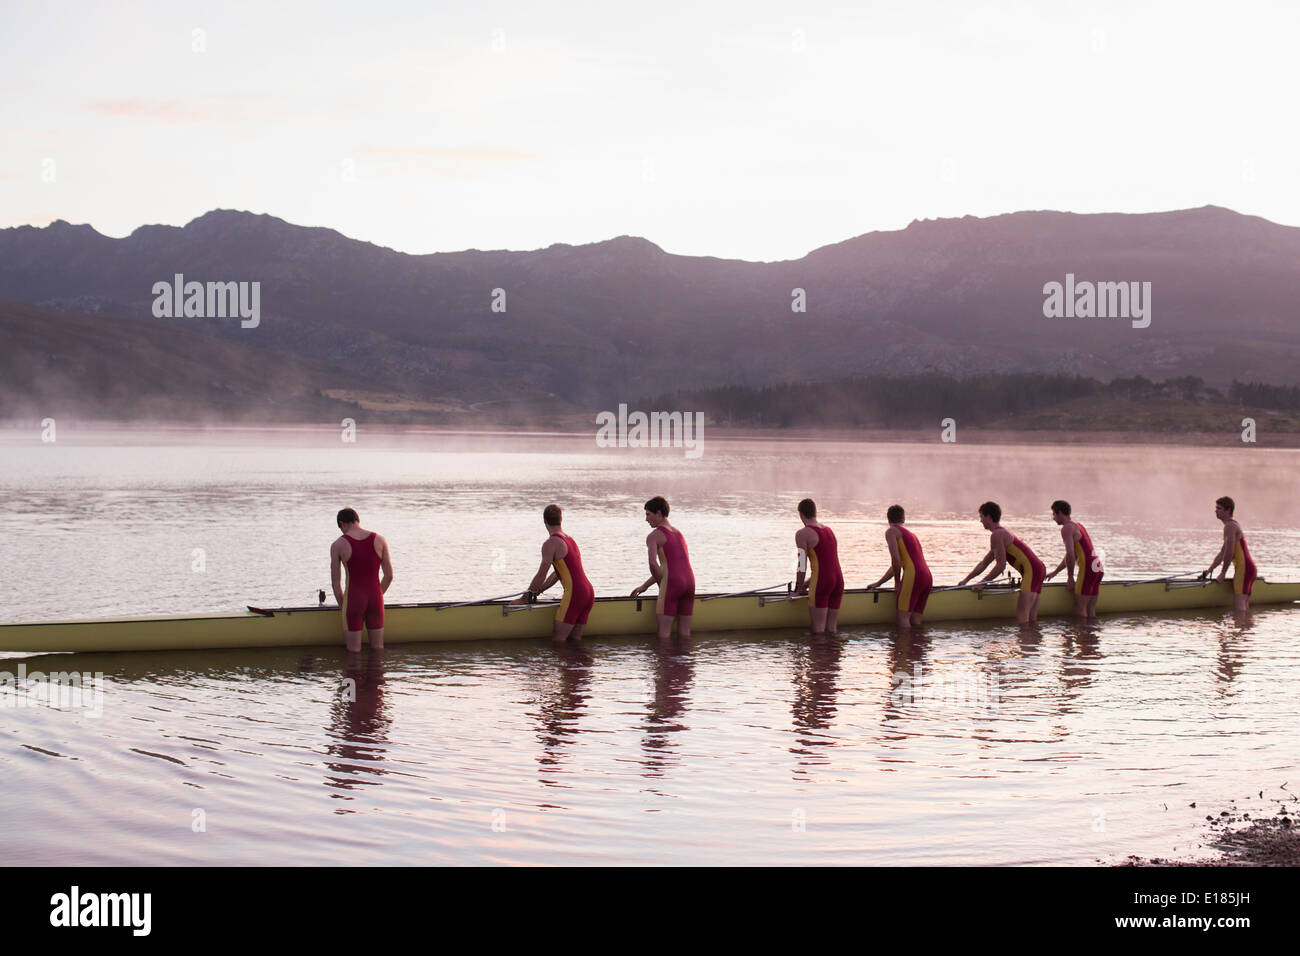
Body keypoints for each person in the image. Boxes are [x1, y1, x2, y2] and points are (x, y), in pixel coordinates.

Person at [514, 504, 595, 643]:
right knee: (575, 641)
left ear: (544, 521)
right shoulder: (570, 540)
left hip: (575, 594)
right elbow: (558, 573)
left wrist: (525, 597)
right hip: (588, 592)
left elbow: (542, 574)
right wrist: (539, 590)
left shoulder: (551, 543)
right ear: (561, 519)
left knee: (558, 641)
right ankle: (584, 665)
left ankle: (561, 665)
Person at [957, 501, 1045, 624]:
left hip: (1031, 570)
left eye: (981, 517)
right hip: (1039, 568)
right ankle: (1033, 641)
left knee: (1022, 615)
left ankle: (1026, 641)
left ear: (988, 517)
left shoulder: (997, 535)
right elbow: (984, 563)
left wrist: (983, 583)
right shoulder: (1001, 533)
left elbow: (1000, 565)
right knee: (1031, 616)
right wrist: (966, 580)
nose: (980, 520)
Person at [330, 508, 394, 652]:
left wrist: (343, 606)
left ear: (342, 524)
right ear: (357, 520)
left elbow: (335, 583)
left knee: (353, 652)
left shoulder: (337, 545)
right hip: (376, 599)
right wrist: (376, 595)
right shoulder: (380, 539)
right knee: (378, 650)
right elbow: (389, 576)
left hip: (353, 600)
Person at [630, 496, 695, 639]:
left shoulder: (654, 536)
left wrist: (663, 585)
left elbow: (654, 564)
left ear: (658, 513)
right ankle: (686, 660)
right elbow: (670, 567)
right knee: (685, 633)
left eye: (648, 514)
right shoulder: (679, 534)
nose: (646, 519)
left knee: (664, 636)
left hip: (672, 584)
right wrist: (645, 586)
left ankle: (664, 660)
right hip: (690, 583)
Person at [868, 504, 932, 628]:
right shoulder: (911, 535)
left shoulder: (891, 531)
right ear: (903, 519)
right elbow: (900, 563)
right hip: (927, 577)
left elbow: (896, 560)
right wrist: (879, 583)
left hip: (913, 577)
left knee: (902, 619)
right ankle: (919, 646)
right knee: (915, 620)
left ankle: (902, 647)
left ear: (888, 519)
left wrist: (897, 583)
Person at [1044, 500, 1102, 619]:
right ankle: (1092, 635)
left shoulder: (1066, 528)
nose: (1053, 518)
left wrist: (1070, 577)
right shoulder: (1078, 525)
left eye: (1054, 514)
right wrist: (1056, 572)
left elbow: (1070, 554)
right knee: (1090, 610)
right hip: (1097, 568)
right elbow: (1073, 554)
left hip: (1088, 570)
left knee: (1080, 609)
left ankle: (1082, 636)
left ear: (1060, 513)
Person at [793, 498, 844, 634]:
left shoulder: (802, 534)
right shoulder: (829, 530)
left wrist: (798, 589)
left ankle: (818, 654)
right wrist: (807, 583)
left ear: (801, 515)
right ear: (815, 512)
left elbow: (802, 564)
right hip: (838, 581)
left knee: (818, 631)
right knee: (832, 630)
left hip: (822, 582)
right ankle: (834, 654)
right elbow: (828, 563)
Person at [1203, 496, 1256, 613]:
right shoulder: (1231, 525)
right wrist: (1209, 570)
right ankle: (1246, 629)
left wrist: (1223, 573)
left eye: (1219, 508)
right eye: (1216, 508)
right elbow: (1223, 553)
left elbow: (1229, 552)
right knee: (1244, 609)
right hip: (1247, 569)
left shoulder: (1230, 526)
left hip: (1244, 569)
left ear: (1228, 510)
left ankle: (1241, 629)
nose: (1215, 511)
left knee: (1239, 610)